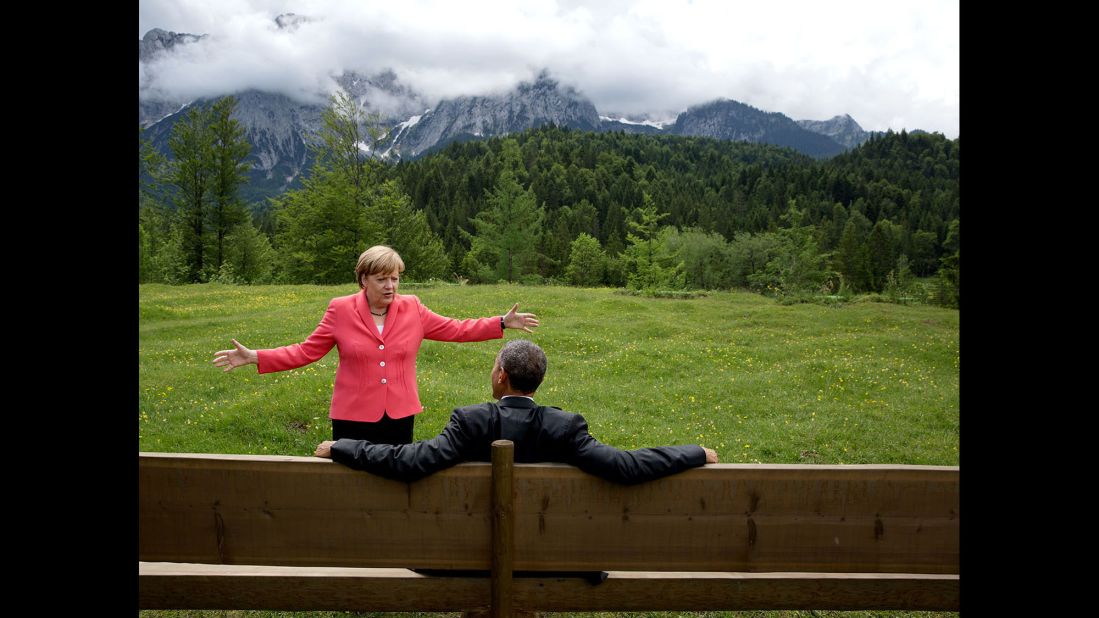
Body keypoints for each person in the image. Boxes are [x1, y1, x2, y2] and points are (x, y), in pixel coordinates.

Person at [213, 245, 540, 444]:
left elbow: (455, 328)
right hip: (352, 415)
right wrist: (256, 356)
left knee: (394, 478)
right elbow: (306, 350)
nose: (390, 285)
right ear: (364, 279)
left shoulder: (412, 307)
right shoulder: (340, 310)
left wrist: (500, 322)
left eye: (395, 278)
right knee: (351, 482)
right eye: (382, 278)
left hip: (399, 414)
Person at [314, 339, 718, 484]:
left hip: (462, 560)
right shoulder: (564, 428)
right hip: (549, 557)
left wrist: (343, 446)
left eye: (494, 366)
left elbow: (408, 461)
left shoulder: (471, 423)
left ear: (501, 376)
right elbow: (627, 466)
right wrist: (695, 453)